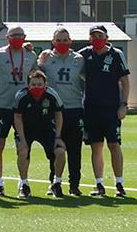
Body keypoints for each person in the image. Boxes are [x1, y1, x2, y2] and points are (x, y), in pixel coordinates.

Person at [79, 25, 130, 197]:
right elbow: (67, 60)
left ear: (106, 37)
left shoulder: (116, 54)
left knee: (114, 145)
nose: (96, 39)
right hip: (91, 108)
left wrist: (124, 104)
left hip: (111, 108)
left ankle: (119, 183)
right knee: (96, 146)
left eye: (99, 35)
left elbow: (125, 81)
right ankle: (99, 184)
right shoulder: (85, 54)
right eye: (93, 36)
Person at [37, 27, 86, 196]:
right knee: (55, 149)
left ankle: (74, 185)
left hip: (74, 109)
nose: (62, 43)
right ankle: (54, 183)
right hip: (53, 110)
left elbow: (88, 80)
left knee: (74, 149)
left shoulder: (78, 59)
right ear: (53, 42)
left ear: (70, 41)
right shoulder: (45, 58)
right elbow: (36, 75)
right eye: (59, 40)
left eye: (65, 40)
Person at [0, 26, 33, 196]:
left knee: (23, 145)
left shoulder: (30, 55)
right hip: (3, 107)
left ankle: (24, 183)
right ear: (7, 37)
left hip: (23, 109)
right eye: (14, 36)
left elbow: (37, 75)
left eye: (21, 35)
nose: (18, 38)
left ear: (25, 37)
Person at [13, 70, 66, 199]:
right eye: (34, 84)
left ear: (45, 84)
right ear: (28, 85)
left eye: (39, 84)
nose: (37, 87)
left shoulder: (51, 95)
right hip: (27, 130)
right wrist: (22, 139)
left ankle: (56, 183)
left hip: (47, 129)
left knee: (60, 152)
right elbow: (17, 118)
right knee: (23, 151)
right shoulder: (21, 96)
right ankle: (24, 185)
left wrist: (58, 136)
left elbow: (59, 115)